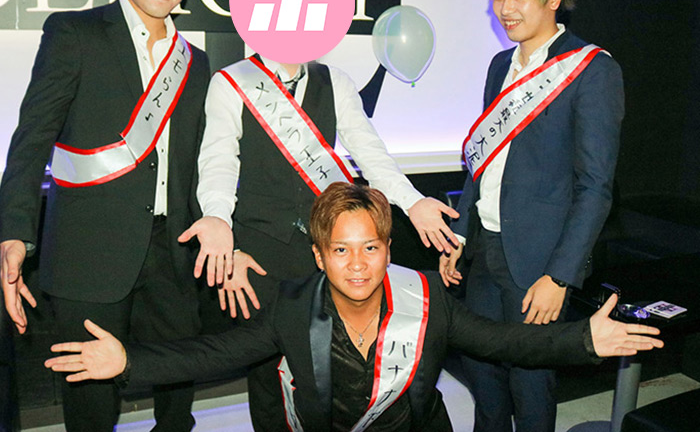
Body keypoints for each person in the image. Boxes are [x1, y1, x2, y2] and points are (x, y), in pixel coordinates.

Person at [45, 182, 661, 431]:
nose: (359, 264)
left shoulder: (428, 301)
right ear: (319, 257)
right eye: (341, 250)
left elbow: (506, 342)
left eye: (371, 247)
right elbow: (211, 354)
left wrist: (584, 339)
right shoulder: (290, 309)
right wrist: (128, 362)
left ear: (389, 249)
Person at [177, 54, 460, 429]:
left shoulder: (335, 81)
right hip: (259, 253)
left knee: (327, 365)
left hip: (325, 252)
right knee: (264, 370)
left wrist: (412, 202)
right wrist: (226, 237)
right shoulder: (232, 81)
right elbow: (218, 162)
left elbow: (370, 153)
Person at [0, 0, 209, 430]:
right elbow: (32, 137)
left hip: (173, 251)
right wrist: (14, 232)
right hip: (88, 249)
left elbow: (203, 160)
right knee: (91, 405)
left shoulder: (195, 61)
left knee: (177, 399)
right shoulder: (75, 33)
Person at [439, 0, 625, 431]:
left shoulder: (591, 70)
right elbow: (481, 165)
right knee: (482, 378)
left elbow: (595, 187)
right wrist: (460, 236)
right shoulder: (500, 66)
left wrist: (560, 277)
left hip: (540, 262)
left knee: (531, 386)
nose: (505, 9)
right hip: (485, 251)